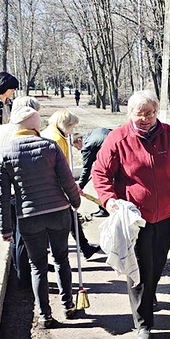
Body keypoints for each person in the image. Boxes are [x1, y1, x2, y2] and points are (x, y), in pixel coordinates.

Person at [92, 89, 170, 339]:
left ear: (157, 112)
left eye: (150, 113)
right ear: (129, 113)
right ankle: (143, 324)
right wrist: (108, 199)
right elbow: (100, 172)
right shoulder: (118, 139)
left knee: (158, 261)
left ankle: (149, 294)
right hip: (135, 217)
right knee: (139, 267)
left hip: (166, 213)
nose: (145, 119)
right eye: (139, 114)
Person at [0, 107, 81, 328]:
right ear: (35, 126)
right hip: (58, 212)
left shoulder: (5, 153)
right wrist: (75, 202)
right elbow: (67, 180)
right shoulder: (50, 146)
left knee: (37, 266)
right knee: (61, 260)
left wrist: (5, 228)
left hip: (28, 217)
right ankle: (68, 305)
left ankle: (45, 315)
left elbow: (2, 195)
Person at [0, 96, 42, 288]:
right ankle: (25, 280)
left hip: (6, 188)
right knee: (24, 237)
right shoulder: (27, 132)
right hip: (25, 191)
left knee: (12, 234)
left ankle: (18, 272)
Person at [42, 109, 100, 259]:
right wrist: (68, 187)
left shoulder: (54, 135)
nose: (73, 130)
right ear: (65, 124)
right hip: (56, 188)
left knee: (72, 217)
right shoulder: (55, 139)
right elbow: (58, 167)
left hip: (55, 186)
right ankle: (78, 249)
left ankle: (85, 247)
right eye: (72, 126)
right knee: (65, 219)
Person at [76, 127, 112, 218]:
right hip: (116, 150)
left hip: (111, 158)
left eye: (76, 146)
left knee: (100, 182)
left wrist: (80, 186)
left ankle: (104, 209)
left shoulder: (87, 146)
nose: (78, 149)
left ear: (79, 140)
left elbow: (86, 169)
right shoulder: (93, 133)